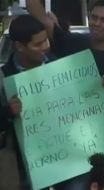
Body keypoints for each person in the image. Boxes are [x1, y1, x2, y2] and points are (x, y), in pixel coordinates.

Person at [27, 0, 104, 189]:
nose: (97, 23)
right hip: (72, 152)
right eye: (94, 17)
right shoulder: (72, 43)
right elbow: (40, 16)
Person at [0, 14, 52, 190]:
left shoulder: (59, 69)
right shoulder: (3, 78)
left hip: (60, 160)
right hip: (19, 169)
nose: (46, 47)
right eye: (38, 44)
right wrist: (8, 112)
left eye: (46, 40)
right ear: (19, 46)